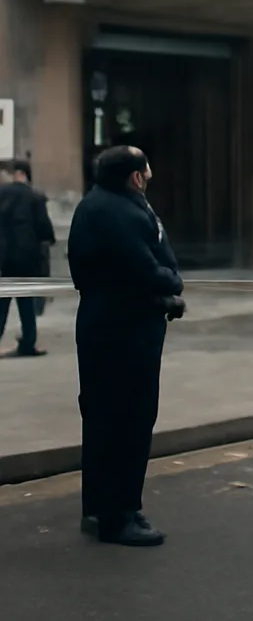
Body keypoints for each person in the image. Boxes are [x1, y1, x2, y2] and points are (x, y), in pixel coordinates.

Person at [68, 146, 185, 547]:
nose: (151, 174)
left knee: (105, 417)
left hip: (110, 323)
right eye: (146, 168)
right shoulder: (117, 211)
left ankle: (100, 508)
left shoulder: (102, 204)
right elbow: (142, 267)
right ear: (135, 176)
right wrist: (171, 285)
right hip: (123, 329)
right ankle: (120, 515)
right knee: (128, 419)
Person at [0, 160, 56, 358]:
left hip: (3, 256)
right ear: (25, 174)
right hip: (27, 256)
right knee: (26, 302)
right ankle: (29, 342)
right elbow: (44, 227)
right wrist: (49, 240)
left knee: (2, 301)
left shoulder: (2, 193)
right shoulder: (35, 196)